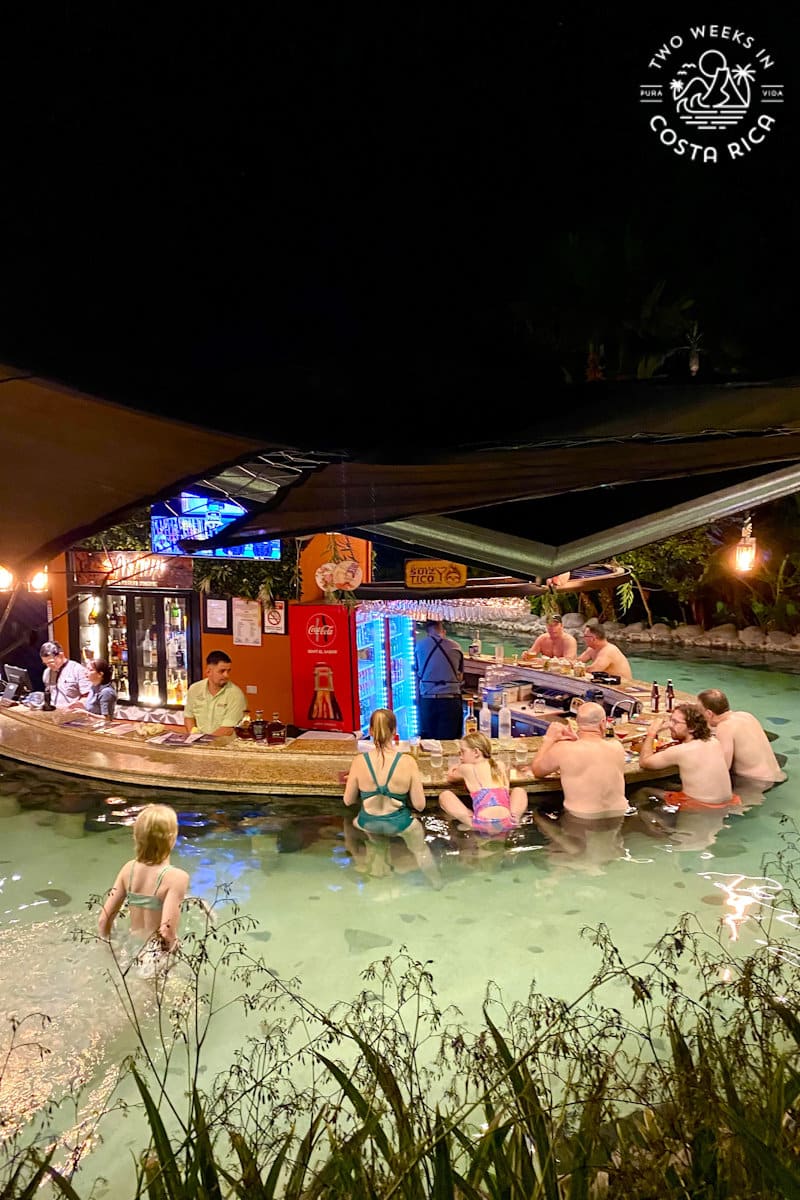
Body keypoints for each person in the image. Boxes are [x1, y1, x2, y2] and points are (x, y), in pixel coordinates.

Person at [343, 707, 440, 884]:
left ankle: (376, 870)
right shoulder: (407, 762)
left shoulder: (359, 761)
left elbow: (348, 801)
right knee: (420, 849)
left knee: (353, 824)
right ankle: (437, 883)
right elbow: (420, 805)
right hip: (399, 823)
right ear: (395, 731)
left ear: (370, 731)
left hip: (368, 822)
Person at [98, 803, 189, 952]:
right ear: (172, 838)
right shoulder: (177, 878)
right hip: (153, 955)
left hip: (129, 947)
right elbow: (166, 933)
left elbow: (103, 920)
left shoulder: (128, 869)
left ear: (136, 836)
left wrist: (109, 952)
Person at [530, 702, 628, 818]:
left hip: (581, 818)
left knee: (537, 817)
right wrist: (576, 739)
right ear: (603, 723)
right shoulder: (617, 747)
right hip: (619, 814)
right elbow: (592, 754)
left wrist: (549, 739)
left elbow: (537, 770)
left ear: (577, 723)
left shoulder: (563, 749)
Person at [636, 703, 738, 809]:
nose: (670, 725)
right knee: (665, 785)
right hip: (727, 802)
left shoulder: (680, 751)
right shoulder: (714, 742)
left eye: (675, 722)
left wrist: (651, 733)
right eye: (671, 720)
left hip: (698, 806)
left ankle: (642, 823)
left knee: (643, 791)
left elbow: (644, 762)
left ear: (692, 728)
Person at [438, 730, 528, 835]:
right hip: (506, 822)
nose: (461, 757)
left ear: (476, 752)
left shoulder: (466, 768)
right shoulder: (500, 765)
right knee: (519, 790)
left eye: (462, 752)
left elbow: (450, 777)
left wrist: (455, 767)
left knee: (445, 796)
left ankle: (470, 822)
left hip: (484, 824)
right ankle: (515, 818)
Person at [697, 688, 787, 786]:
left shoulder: (724, 727)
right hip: (777, 776)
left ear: (709, 713)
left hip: (756, 782)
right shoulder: (746, 715)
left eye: (700, 712)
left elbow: (723, 767)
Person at [414, 618, 464, 740]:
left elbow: (417, 672)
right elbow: (460, 676)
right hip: (450, 701)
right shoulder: (456, 647)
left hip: (428, 701)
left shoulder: (419, 647)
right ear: (444, 631)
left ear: (427, 633)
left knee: (428, 742)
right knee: (450, 743)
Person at [183, 649, 247, 736]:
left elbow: (227, 729)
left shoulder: (236, 695)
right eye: (222, 671)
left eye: (228, 671)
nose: (226, 675)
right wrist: (193, 737)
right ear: (208, 672)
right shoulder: (195, 689)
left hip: (224, 746)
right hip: (199, 743)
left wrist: (205, 743)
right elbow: (189, 717)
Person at [39, 640, 91, 709]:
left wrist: (78, 705)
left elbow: (87, 696)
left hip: (73, 715)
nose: (49, 666)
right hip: (54, 715)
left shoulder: (77, 670)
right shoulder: (47, 672)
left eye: (51, 662)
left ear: (61, 655)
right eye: (45, 663)